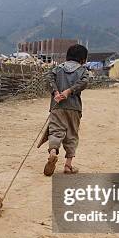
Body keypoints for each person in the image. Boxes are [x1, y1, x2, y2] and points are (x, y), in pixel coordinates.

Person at [42, 44, 90, 176]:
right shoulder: (83, 71)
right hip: (74, 108)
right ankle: (68, 166)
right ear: (82, 58)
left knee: (55, 131)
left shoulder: (58, 68)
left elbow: (48, 79)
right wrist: (69, 91)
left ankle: (52, 152)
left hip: (57, 107)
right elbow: (84, 83)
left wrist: (56, 92)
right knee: (72, 134)